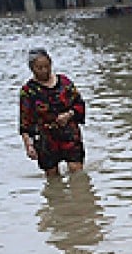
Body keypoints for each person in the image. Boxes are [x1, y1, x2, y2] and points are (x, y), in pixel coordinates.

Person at [19, 48, 86, 177]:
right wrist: (28, 145)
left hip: (69, 133)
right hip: (46, 139)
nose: (44, 70)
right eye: (39, 68)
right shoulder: (28, 91)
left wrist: (69, 114)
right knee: (52, 178)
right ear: (32, 68)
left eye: (47, 66)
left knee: (77, 172)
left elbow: (79, 104)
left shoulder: (64, 82)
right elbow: (25, 121)